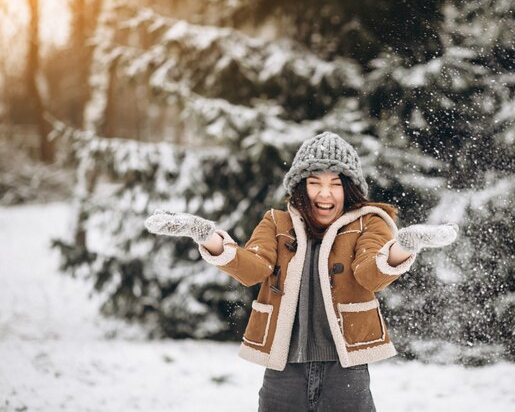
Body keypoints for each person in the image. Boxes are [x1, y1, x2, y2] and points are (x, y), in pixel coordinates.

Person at [145, 131, 458, 412]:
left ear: (349, 189)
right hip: (284, 368)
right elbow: (252, 268)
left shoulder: (370, 223)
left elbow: (369, 274)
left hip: (345, 369)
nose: (325, 194)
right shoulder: (276, 223)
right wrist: (206, 235)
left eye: (335, 184)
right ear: (299, 186)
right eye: (315, 183)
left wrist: (405, 246)